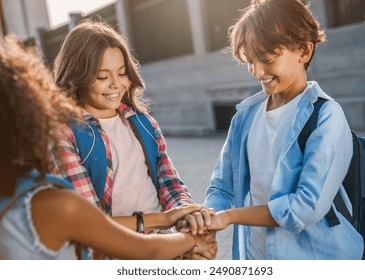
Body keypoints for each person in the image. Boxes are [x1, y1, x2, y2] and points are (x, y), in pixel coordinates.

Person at [0, 35, 216, 260]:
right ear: (77, 77)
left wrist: (188, 219)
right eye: (102, 76)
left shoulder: (144, 124)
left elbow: (170, 185)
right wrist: (187, 236)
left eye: (122, 73)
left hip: (167, 247)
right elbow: (91, 224)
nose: (116, 83)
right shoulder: (64, 134)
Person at [202, 0, 364, 260]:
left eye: (266, 58)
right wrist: (207, 219)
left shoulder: (325, 116)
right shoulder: (245, 117)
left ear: (304, 51)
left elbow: (306, 207)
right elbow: (222, 187)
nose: (257, 71)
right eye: (249, 60)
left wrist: (228, 217)